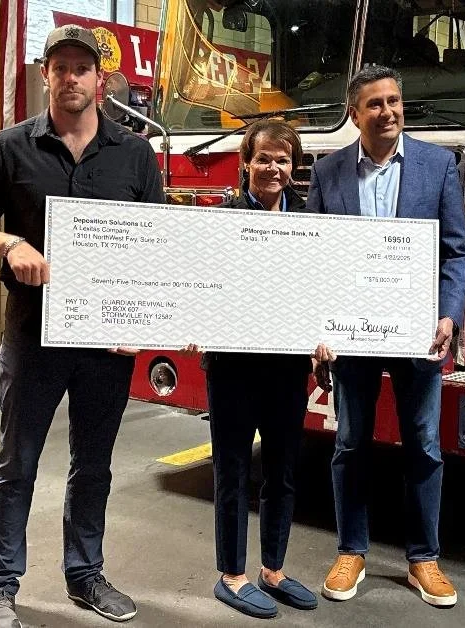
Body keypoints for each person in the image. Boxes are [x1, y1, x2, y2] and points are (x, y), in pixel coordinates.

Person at [0, 25, 164, 628]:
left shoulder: (135, 155)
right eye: (60, 66)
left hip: (106, 342)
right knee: (16, 464)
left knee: (93, 464)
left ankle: (85, 574)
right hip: (33, 335)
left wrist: (148, 317)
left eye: (82, 67)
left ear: (102, 79)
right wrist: (9, 243)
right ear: (44, 74)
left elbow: (159, 246)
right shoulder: (9, 147)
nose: (71, 77)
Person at [307, 65, 465, 607]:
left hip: (418, 336)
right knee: (350, 443)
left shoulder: (438, 166)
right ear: (354, 114)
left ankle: (424, 558)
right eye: (375, 104)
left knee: (423, 445)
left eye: (394, 101)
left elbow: (457, 253)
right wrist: (318, 328)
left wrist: (448, 317)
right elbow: (312, 255)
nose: (388, 112)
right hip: (352, 335)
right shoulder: (328, 171)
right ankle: (351, 550)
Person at [188, 120, 319, 619]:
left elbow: (321, 288)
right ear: (246, 162)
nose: (273, 168)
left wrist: (328, 333)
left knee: (283, 472)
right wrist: (192, 319)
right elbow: (200, 283)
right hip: (233, 369)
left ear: (294, 167)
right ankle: (231, 574)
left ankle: (273, 570)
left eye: (283, 160)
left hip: (288, 369)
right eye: (263, 158)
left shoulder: (309, 221)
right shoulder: (221, 221)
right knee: (233, 470)